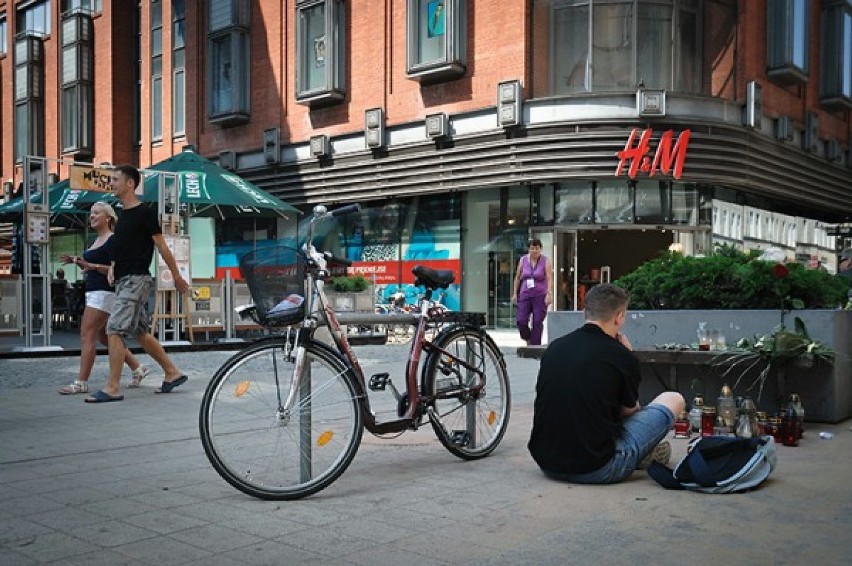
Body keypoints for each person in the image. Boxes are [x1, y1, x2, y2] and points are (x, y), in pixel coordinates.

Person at [528, 283, 685, 484]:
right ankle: (643, 451)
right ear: (619, 316)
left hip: (547, 462)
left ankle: (644, 451)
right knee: (674, 399)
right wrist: (628, 357)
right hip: (598, 467)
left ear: (586, 312)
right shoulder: (621, 355)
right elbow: (630, 411)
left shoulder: (555, 348)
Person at [84, 165, 190, 403]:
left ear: (130, 183)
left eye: (115, 180)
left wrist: (176, 275)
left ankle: (113, 387)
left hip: (136, 280)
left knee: (114, 329)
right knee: (139, 332)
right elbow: (123, 249)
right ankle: (173, 373)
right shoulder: (122, 217)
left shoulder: (144, 213)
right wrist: (112, 267)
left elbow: (162, 247)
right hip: (124, 280)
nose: (112, 184)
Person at [58, 202, 149, 395]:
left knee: (87, 334)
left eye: (96, 213)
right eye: (91, 213)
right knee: (104, 336)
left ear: (108, 217)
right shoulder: (95, 240)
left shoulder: (113, 240)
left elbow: (119, 268)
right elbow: (91, 264)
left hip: (104, 292)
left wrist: (93, 266)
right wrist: (79, 262)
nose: (92, 216)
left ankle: (81, 381)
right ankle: (138, 368)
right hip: (94, 291)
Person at [511, 238, 553, 346]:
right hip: (525, 294)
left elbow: (549, 278)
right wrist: (515, 293)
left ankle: (534, 347)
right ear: (528, 249)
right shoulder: (523, 260)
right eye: (532, 248)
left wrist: (549, 293)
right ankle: (527, 337)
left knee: (537, 321)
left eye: (537, 248)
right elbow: (517, 277)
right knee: (521, 320)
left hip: (540, 295)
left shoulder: (545, 260)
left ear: (541, 249)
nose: (535, 251)